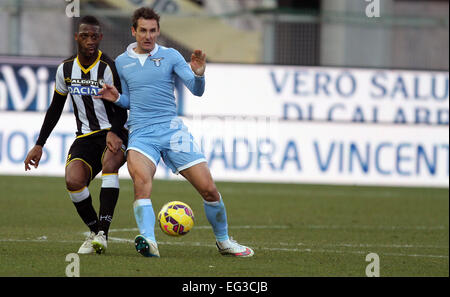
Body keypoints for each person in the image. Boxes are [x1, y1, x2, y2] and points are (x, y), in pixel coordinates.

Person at [95, 7, 254, 258]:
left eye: (153, 31)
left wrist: (199, 75)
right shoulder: (122, 62)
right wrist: (116, 98)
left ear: (158, 31)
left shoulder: (171, 56)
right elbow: (130, 101)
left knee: (209, 189)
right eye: (143, 31)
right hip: (141, 133)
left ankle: (224, 241)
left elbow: (196, 90)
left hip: (172, 131)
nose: (148, 36)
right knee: (141, 182)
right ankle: (149, 241)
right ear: (133, 31)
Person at [24, 16, 128, 255]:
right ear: (76, 37)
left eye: (94, 36)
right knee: (73, 180)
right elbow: (55, 108)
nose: (90, 41)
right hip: (85, 137)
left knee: (110, 161)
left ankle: (103, 232)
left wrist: (115, 131)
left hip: (113, 131)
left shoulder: (108, 67)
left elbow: (122, 105)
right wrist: (39, 144)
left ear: (100, 38)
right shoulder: (65, 69)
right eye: (85, 36)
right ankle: (95, 232)